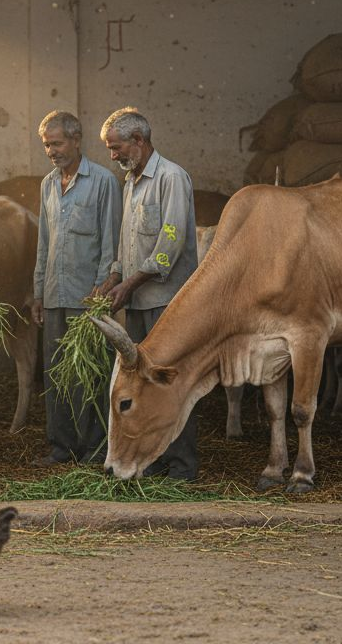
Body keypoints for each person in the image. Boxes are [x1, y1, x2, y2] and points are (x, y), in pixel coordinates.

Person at [96, 107, 200, 479]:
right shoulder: (130, 182)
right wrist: (114, 277)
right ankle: (150, 459)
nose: (113, 155)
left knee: (170, 386)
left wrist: (130, 283)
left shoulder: (172, 178)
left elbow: (169, 242)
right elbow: (129, 244)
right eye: (110, 149)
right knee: (140, 389)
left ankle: (183, 466)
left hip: (166, 303)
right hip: (138, 301)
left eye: (116, 147)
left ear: (138, 141)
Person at [30, 110, 121, 467]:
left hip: (89, 298)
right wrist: (38, 293)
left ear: (76, 140)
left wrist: (103, 290)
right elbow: (44, 244)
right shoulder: (47, 184)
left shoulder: (103, 181)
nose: (51, 151)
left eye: (57, 143)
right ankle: (61, 447)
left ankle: (96, 449)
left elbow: (111, 242)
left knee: (93, 374)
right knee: (57, 374)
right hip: (55, 295)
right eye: (46, 145)